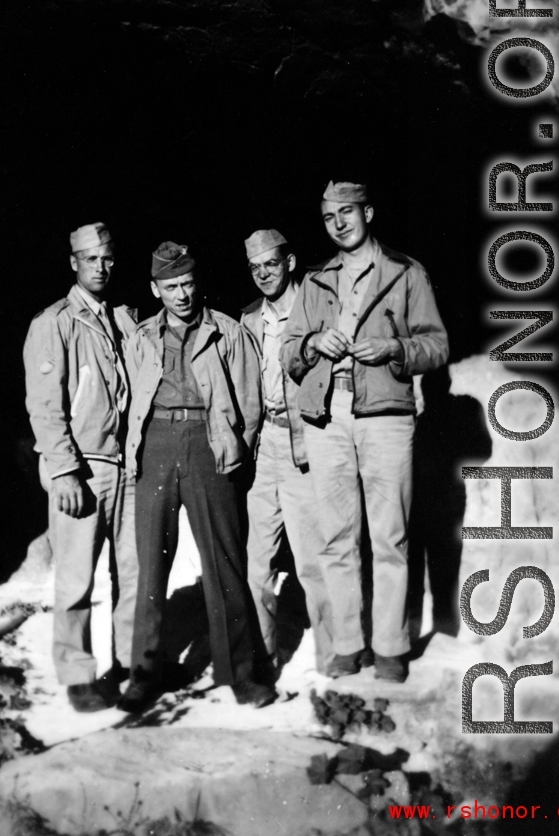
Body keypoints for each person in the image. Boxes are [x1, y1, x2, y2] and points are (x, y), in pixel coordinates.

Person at [281, 182, 449, 683]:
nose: (338, 223)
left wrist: (394, 348)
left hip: (386, 417)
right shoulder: (315, 282)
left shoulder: (405, 272)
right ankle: (349, 644)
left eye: (347, 212)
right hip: (327, 419)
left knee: (390, 537)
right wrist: (312, 341)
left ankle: (392, 646)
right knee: (337, 537)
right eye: (329, 215)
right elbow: (289, 353)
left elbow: (436, 345)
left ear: (368, 213)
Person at [120, 241, 274, 711]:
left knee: (224, 564)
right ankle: (144, 673)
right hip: (156, 444)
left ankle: (241, 674)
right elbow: (127, 395)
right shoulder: (141, 337)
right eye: (171, 287)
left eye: (187, 283)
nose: (182, 295)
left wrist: (230, 447)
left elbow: (251, 403)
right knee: (150, 566)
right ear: (155, 289)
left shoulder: (227, 332)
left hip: (209, 443)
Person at [23, 223, 138, 712]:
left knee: (133, 573)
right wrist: (64, 469)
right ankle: (77, 673)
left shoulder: (123, 318)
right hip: (84, 466)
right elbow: (45, 405)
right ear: (73, 262)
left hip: (126, 465)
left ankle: (132, 666)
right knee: (75, 577)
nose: (100, 266)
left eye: (107, 258)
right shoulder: (54, 322)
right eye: (90, 258)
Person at [240, 229, 334, 676]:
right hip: (264, 449)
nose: (263, 275)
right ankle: (264, 657)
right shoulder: (247, 320)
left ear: (290, 262)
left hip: (306, 444)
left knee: (313, 561)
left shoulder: (317, 309)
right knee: (256, 563)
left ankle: (336, 659)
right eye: (255, 268)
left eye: (271, 265)